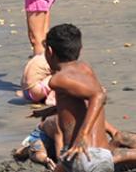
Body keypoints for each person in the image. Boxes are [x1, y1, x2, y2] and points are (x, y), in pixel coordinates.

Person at [34, 24, 136, 172]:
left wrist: (82, 135)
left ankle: (122, 154)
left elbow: (98, 96)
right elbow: (89, 100)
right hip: (101, 155)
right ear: (80, 50)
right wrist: (52, 110)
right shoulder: (85, 68)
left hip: (81, 155)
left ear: (49, 51)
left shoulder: (57, 79)